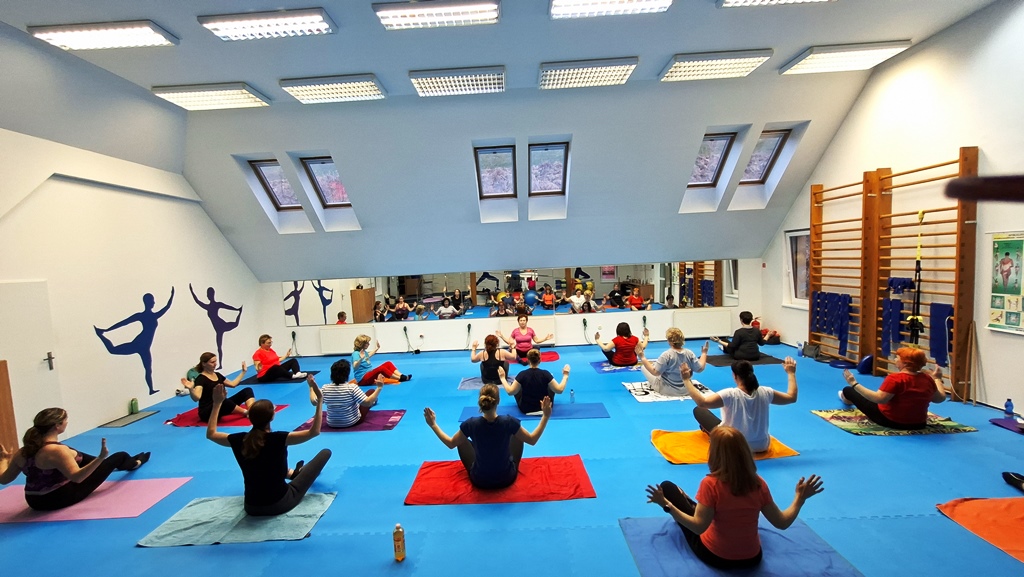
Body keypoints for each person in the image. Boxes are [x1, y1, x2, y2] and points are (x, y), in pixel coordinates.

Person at [645, 427, 824, 570]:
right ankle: (693, 504)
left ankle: (688, 503)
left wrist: (666, 505)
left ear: (714, 454)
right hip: (753, 558)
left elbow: (698, 527)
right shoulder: (758, 483)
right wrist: (799, 499)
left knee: (668, 488)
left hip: (716, 557)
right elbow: (782, 523)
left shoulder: (710, 484)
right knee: (701, 506)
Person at [207, 381, 332, 516]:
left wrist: (217, 403)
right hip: (279, 504)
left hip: (251, 506)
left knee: (267, 467)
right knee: (325, 453)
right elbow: (314, 432)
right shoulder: (279, 438)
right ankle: (295, 473)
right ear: (272, 416)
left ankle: (293, 473)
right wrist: (320, 400)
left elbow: (211, 434)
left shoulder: (238, 439)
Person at [0, 408, 149, 511]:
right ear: (57, 426)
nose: (67, 422)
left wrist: (4, 460)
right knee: (119, 456)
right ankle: (135, 463)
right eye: (65, 420)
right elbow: (77, 478)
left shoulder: (23, 452)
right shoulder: (58, 451)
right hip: (57, 498)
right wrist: (100, 457)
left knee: (75, 454)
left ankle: (122, 463)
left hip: (33, 502)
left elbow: (4, 479)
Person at [423, 384, 552, 489]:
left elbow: (451, 443)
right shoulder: (509, 421)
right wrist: (545, 416)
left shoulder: (471, 424)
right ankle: (509, 465)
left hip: (480, 480)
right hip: (506, 479)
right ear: (498, 401)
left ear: (480, 401)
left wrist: (433, 425)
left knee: (461, 441)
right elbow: (532, 440)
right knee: (516, 434)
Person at [684, 358, 798, 453]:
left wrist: (686, 380)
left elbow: (702, 403)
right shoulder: (766, 391)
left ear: (735, 376)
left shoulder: (730, 394)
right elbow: (791, 397)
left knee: (699, 411)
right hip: (762, 446)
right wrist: (791, 373)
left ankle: (711, 434)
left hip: (734, 446)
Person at [838, 347, 947, 430]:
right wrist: (937, 379)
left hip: (891, 421)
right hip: (919, 424)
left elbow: (879, 399)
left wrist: (854, 383)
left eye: (897, 358)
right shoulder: (927, 379)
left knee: (848, 390)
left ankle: (846, 398)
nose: (895, 359)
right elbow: (940, 399)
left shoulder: (895, 379)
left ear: (905, 363)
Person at [94, 288, 174, 395]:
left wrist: (172, 295)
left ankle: (151, 390)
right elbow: (124, 322)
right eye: (152, 301)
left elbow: (167, 307)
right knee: (112, 350)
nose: (154, 302)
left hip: (145, 347)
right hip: (138, 344)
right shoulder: (143, 316)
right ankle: (100, 335)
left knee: (148, 369)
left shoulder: (153, 315)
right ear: (148, 302)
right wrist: (107, 330)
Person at [181, 352, 255, 423]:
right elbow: (196, 398)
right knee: (222, 400)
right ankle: (247, 413)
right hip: (207, 413)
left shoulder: (217, 375)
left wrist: (243, 372)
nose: (215, 364)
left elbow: (233, 384)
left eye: (215, 361)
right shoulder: (201, 379)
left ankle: (252, 410)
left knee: (247, 391)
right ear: (204, 364)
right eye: (212, 362)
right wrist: (191, 389)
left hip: (220, 405)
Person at [636, 328, 708, 396]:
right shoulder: (689, 353)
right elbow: (700, 369)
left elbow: (655, 372)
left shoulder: (666, 355)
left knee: (644, 367)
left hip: (667, 390)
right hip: (686, 390)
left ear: (669, 341)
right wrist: (704, 353)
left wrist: (642, 357)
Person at [313, 359, 385, 428]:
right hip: (351, 422)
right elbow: (367, 403)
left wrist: (311, 387)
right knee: (371, 392)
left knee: (357, 399)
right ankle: (374, 401)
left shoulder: (325, 388)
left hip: (331, 423)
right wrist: (379, 387)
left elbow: (314, 402)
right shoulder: (352, 388)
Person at [500, 349, 570, 413]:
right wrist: (565, 375)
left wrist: (503, 378)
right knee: (550, 385)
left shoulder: (522, 374)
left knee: (516, 385)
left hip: (526, 408)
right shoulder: (546, 374)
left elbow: (510, 392)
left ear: (528, 360)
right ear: (540, 360)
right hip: (545, 407)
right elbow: (559, 390)